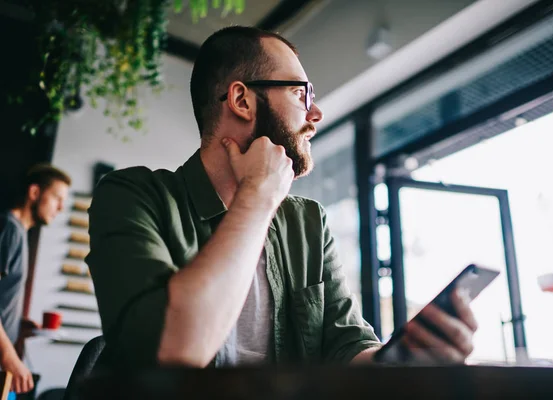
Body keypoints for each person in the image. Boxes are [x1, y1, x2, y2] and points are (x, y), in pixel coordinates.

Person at [86, 26, 478, 369]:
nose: (316, 113)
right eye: (301, 93)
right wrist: (256, 197)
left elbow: (346, 348)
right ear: (242, 101)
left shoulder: (308, 221)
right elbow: (174, 350)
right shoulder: (131, 196)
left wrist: (406, 358)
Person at [0, 164, 70, 393]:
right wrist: (9, 356)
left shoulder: (20, 233)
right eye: (57, 198)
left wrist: (19, 324)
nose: (60, 208)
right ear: (34, 193)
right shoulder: (8, 230)